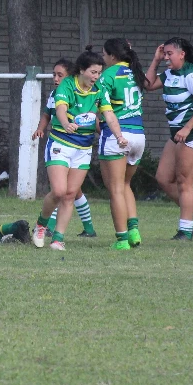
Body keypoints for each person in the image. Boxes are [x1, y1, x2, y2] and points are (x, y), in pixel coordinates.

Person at [32, 47, 127, 251]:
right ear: (82, 70)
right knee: (58, 191)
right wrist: (66, 124)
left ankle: (58, 239)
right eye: (94, 72)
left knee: (70, 193)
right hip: (60, 143)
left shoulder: (99, 90)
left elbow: (109, 115)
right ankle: (41, 225)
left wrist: (119, 136)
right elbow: (60, 109)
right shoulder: (66, 85)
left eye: (99, 72)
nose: (97, 76)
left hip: (83, 148)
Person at [146, 37, 193, 241]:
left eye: (169, 54)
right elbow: (147, 85)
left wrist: (187, 127)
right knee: (163, 178)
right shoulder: (168, 74)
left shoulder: (191, 74)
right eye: (164, 53)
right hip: (177, 134)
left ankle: (185, 231)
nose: (166, 57)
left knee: (185, 181)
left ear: (182, 54)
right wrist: (155, 60)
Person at [31, 58, 97, 238]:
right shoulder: (54, 94)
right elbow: (48, 114)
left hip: (80, 146)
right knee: (64, 191)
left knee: (70, 191)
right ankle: (57, 226)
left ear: (71, 78)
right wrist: (40, 128)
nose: (55, 78)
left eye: (60, 75)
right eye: (54, 74)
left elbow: (93, 118)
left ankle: (79, 228)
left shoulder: (81, 93)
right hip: (62, 143)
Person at [97, 38, 148, 250]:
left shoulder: (107, 75)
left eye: (103, 54)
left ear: (112, 56)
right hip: (139, 135)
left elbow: (102, 105)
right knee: (125, 185)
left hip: (118, 136)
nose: (102, 58)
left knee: (115, 189)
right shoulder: (136, 71)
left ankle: (122, 240)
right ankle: (134, 230)